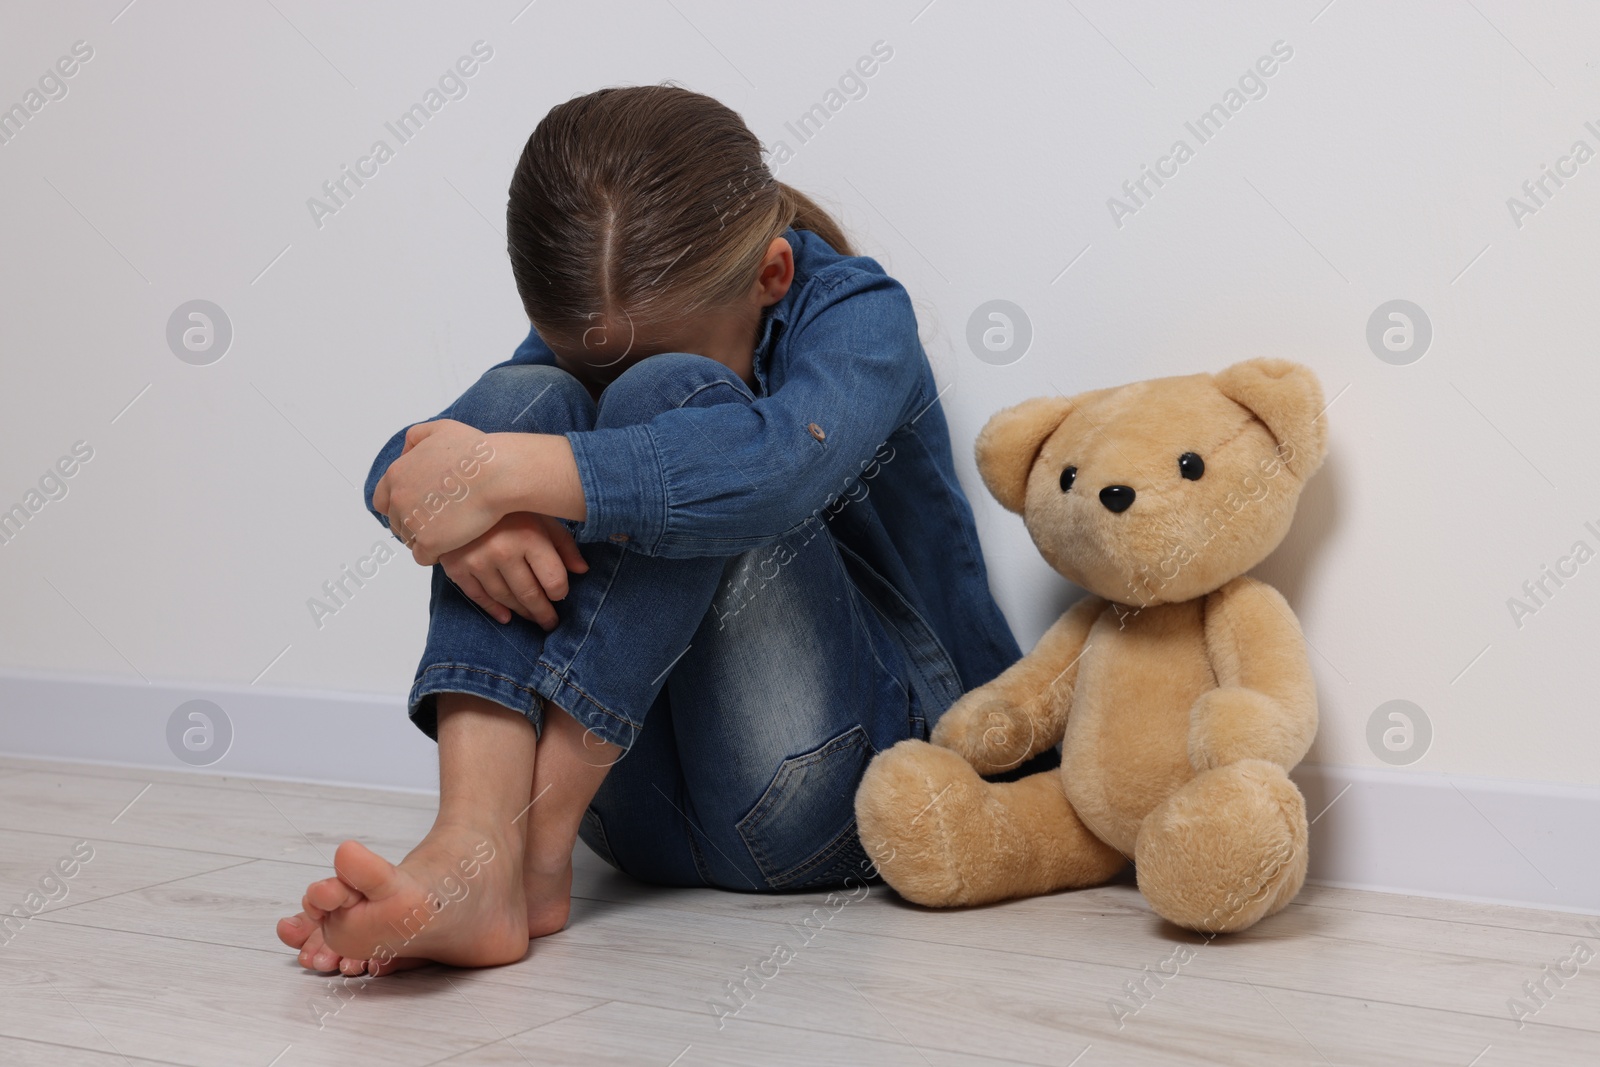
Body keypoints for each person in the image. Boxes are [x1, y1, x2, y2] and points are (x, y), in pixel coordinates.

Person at [275, 84, 1019, 976]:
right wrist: (459, 508)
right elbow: (418, 461)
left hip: (834, 799)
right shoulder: (602, 319)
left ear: (771, 276)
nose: (614, 377)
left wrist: (498, 476)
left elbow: (779, 466)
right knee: (522, 403)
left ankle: (528, 840)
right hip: (634, 823)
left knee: (673, 405)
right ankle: (475, 854)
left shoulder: (858, 317)